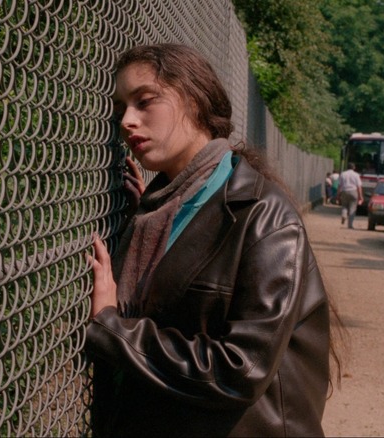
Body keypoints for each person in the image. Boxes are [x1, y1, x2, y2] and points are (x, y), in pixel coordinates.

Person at [87, 44, 341, 437]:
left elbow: (241, 370)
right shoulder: (163, 207)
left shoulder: (262, 214)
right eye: (121, 108)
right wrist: (149, 216)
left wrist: (114, 328)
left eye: (144, 101)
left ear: (193, 98)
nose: (127, 120)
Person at [337, 162, 363, 229]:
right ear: (354, 167)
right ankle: (350, 225)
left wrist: (338, 195)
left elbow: (339, 185)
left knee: (344, 206)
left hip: (344, 191)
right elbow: (359, 186)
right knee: (352, 208)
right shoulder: (356, 175)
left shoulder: (343, 174)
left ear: (347, 167)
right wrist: (360, 196)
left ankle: (344, 215)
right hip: (353, 192)